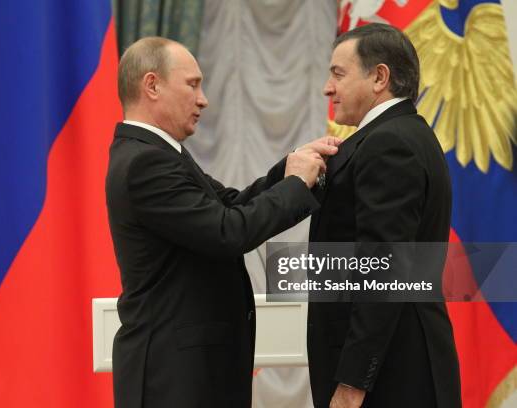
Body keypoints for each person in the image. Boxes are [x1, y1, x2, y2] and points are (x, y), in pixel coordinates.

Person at [106, 37, 339, 408]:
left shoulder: (156, 154)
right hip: (176, 377)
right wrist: (296, 183)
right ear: (152, 85)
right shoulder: (145, 163)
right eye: (193, 84)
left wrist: (293, 165)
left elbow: (232, 203)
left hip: (190, 370)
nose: (203, 99)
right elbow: (228, 231)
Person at [307, 24, 461, 408]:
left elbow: (384, 270)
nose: (328, 88)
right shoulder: (398, 135)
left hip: (391, 379)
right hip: (394, 369)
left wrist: (353, 383)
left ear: (379, 77)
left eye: (338, 74)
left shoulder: (389, 143)